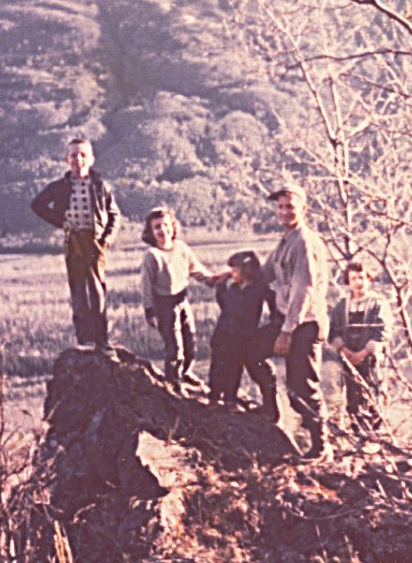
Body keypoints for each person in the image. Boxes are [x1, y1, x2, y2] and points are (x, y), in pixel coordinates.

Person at [261, 181, 332, 461]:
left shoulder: (304, 241)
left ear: (303, 208)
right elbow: (265, 272)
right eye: (280, 207)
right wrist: (228, 277)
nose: (284, 211)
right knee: (250, 348)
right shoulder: (286, 239)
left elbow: (305, 288)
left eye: (290, 206)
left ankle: (321, 445)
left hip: (305, 324)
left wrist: (287, 331)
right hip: (289, 321)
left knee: (303, 386)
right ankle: (269, 409)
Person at [31, 136, 120, 354]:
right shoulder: (59, 187)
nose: (78, 159)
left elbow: (114, 214)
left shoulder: (100, 186)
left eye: (83, 155)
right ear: (66, 159)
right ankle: (84, 339)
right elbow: (37, 204)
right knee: (78, 289)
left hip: (94, 240)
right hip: (73, 241)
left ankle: (102, 340)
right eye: (73, 155)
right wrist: (61, 222)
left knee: (97, 291)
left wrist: (106, 238)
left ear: (91, 159)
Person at [141, 206, 209, 389]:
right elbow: (146, 286)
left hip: (182, 300)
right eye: (156, 227)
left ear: (173, 226)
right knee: (174, 347)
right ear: (151, 232)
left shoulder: (181, 248)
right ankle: (174, 381)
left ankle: (185, 372)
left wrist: (214, 280)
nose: (162, 230)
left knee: (190, 342)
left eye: (165, 225)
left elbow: (195, 269)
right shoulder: (152, 256)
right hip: (164, 305)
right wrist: (149, 311)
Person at [208, 250, 279, 419]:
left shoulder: (259, 289)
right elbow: (224, 304)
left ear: (246, 270)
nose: (231, 274)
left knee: (234, 368)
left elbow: (273, 300)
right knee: (218, 366)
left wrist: (275, 320)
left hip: (243, 336)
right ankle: (214, 397)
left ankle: (230, 400)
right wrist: (220, 285)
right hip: (223, 334)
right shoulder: (233, 288)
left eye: (234, 271)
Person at [328, 260, 393, 434]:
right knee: (352, 395)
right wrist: (345, 351)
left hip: (370, 358)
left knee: (372, 391)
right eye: (354, 278)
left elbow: (383, 330)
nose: (358, 282)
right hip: (348, 358)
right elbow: (333, 331)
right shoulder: (341, 306)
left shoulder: (378, 303)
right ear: (348, 281)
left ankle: (375, 433)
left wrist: (365, 352)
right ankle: (358, 432)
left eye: (362, 277)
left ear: (369, 279)